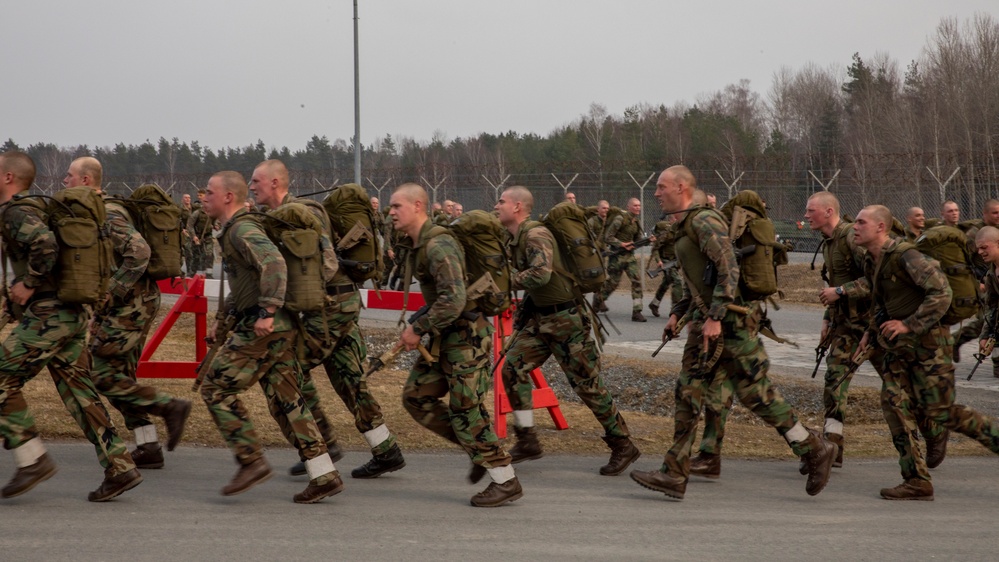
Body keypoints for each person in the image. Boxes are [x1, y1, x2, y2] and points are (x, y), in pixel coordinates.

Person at [629, 165, 835, 501]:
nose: (655, 193)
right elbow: (701, 279)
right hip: (710, 323)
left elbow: (729, 267)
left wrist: (715, 316)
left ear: (681, 188)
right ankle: (675, 473)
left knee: (756, 395)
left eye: (661, 187)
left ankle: (814, 447)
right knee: (692, 392)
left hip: (729, 324)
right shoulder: (685, 225)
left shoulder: (702, 221)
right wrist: (680, 313)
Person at [0, 151, 141, 501]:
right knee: (80, 392)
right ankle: (120, 466)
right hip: (70, 312)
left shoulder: (17, 211)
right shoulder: (33, 207)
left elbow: (45, 245)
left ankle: (32, 458)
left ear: (8, 178)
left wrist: (30, 283)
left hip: (52, 316)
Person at [250, 160, 405, 479]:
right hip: (340, 304)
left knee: (285, 368)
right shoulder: (285, 216)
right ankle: (386, 450)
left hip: (330, 307)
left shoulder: (300, 215)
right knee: (349, 379)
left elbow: (327, 264)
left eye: (256, 181)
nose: (251, 187)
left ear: (275, 183)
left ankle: (323, 442)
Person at [200, 170, 342, 503]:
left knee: (216, 388)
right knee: (288, 400)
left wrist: (266, 311)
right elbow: (246, 284)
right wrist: (224, 320)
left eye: (208, 192)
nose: (203, 198)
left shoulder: (243, 229)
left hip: (265, 326)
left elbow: (274, 264)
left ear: (227, 197)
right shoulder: (237, 229)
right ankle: (324, 475)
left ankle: (251, 461)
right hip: (277, 325)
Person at [390, 182, 522, 507]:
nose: (391, 212)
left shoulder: (438, 245)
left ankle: (505, 480)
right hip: (444, 336)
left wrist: (417, 329)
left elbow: (455, 298)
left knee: (466, 412)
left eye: (397, 206)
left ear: (418, 206)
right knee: (416, 397)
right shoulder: (420, 244)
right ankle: (478, 450)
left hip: (465, 337)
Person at [854, 205, 999, 500]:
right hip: (899, 349)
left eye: (861, 222)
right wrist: (870, 332)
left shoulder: (907, 255)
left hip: (931, 346)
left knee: (941, 412)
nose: (855, 227)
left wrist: (909, 325)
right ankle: (917, 479)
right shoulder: (872, 261)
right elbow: (881, 303)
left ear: (880, 227)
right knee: (893, 403)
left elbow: (942, 293)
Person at [495, 186, 640, 475]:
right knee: (511, 368)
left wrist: (504, 280)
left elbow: (541, 273)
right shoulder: (516, 237)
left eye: (501, 201)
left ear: (518, 207)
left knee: (587, 386)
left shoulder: (535, 234)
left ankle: (622, 444)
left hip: (565, 320)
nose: (496, 205)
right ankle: (527, 439)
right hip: (541, 319)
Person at [64, 158, 192, 470]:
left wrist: (112, 291)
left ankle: (170, 407)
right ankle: (148, 445)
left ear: (84, 179)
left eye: (68, 176)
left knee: (98, 373)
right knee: (121, 376)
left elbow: (140, 251)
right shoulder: (98, 209)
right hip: (129, 302)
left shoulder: (105, 212)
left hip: (130, 303)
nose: (64, 182)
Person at [952, 199, 999, 369]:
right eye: (994, 212)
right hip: (980, 284)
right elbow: (962, 262)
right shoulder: (974, 234)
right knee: (987, 318)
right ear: (985, 214)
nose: (998, 215)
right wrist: (974, 282)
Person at [596, 198, 649, 322]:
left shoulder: (636, 222)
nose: (638, 208)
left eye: (639, 206)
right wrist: (622, 244)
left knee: (637, 281)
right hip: (617, 256)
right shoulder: (620, 219)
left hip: (629, 257)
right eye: (635, 206)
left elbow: (637, 242)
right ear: (628, 207)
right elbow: (608, 237)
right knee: (612, 284)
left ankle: (637, 311)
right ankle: (598, 300)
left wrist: (647, 241)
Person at [647, 215, 683, 318]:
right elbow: (655, 249)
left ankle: (654, 304)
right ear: (671, 220)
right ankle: (675, 310)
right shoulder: (666, 234)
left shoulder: (681, 232)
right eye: (675, 219)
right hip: (666, 262)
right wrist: (658, 261)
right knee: (677, 281)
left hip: (675, 262)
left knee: (666, 283)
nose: (678, 220)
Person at [188, 189, 214, 278]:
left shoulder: (212, 213)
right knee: (196, 257)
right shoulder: (197, 213)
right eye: (205, 202)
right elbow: (190, 225)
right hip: (198, 237)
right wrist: (194, 236)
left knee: (209, 254)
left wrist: (217, 225)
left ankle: (209, 273)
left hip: (208, 237)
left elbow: (217, 221)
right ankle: (192, 273)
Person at [180, 193, 195, 276]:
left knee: (195, 252)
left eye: (189, 198)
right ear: (182, 199)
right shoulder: (181, 209)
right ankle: (189, 270)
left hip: (194, 233)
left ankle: (194, 269)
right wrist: (182, 229)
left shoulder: (194, 208)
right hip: (185, 233)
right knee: (188, 252)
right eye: (185, 198)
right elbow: (179, 219)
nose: (187, 199)